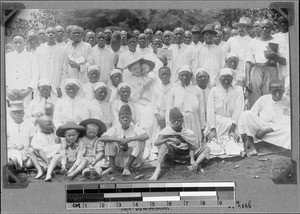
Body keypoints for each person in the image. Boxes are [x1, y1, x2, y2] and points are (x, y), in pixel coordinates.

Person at [149, 107, 210, 181]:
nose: (177, 122)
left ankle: (195, 165)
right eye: (174, 120)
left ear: (182, 121)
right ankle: (157, 170)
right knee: (164, 144)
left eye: (179, 120)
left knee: (207, 148)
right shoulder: (167, 131)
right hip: (173, 155)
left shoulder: (187, 132)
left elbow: (191, 147)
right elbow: (156, 143)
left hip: (186, 155)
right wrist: (169, 139)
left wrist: (192, 160)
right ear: (171, 122)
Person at [238, 80, 290, 156]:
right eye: (274, 89)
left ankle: (278, 147)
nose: (277, 92)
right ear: (269, 90)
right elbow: (252, 114)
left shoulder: (288, 100)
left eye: (279, 89)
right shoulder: (263, 99)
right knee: (246, 114)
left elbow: (288, 121)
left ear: (284, 89)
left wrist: (267, 130)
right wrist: (257, 129)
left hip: (277, 130)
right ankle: (252, 147)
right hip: (261, 127)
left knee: (290, 131)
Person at [245, 19, 287, 109]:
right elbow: (248, 62)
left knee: (269, 98)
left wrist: (273, 55)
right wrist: (248, 79)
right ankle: (253, 119)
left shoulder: (277, 40)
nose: (264, 29)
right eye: (262, 27)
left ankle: (268, 120)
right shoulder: (253, 42)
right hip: (256, 70)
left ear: (271, 28)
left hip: (271, 70)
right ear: (258, 29)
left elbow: (284, 61)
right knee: (254, 97)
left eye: (267, 27)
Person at [100, 104, 149, 176]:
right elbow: (102, 138)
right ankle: (112, 167)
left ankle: (127, 167)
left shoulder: (134, 128)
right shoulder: (115, 129)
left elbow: (146, 136)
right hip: (118, 159)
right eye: (123, 117)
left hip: (132, 160)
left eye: (127, 117)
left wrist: (128, 139)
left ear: (131, 119)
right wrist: (117, 139)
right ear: (119, 119)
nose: (125, 119)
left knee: (140, 140)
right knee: (109, 141)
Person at [206, 68, 245, 156]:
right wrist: (212, 129)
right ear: (219, 79)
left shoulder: (238, 90)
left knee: (234, 147)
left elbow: (239, 109)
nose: (226, 82)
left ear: (232, 79)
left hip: (232, 123)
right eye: (224, 79)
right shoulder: (214, 91)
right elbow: (210, 110)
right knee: (213, 147)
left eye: (229, 79)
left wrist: (232, 129)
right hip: (217, 124)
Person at [166, 65, 205, 147]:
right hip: (179, 122)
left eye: (187, 75)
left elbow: (201, 110)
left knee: (194, 144)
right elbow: (169, 109)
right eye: (182, 75)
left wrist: (202, 127)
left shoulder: (197, 90)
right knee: (181, 144)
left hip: (194, 120)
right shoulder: (173, 90)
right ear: (178, 76)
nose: (184, 77)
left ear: (191, 76)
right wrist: (169, 126)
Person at [6, 101, 41, 177]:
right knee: (11, 163)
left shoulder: (29, 124)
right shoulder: (7, 126)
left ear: (23, 113)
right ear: (11, 114)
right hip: (13, 152)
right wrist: (12, 146)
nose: (17, 115)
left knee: (30, 163)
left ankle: (21, 167)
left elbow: (33, 143)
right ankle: (15, 174)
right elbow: (5, 143)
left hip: (27, 153)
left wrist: (27, 152)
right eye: (15, 113)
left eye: (20, 112)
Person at [6, 34, 38, 108]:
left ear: (25, 42)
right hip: (10, 93)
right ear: (12, 43)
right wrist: (7, 91)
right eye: (15, 42)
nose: (18, 45)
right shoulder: (7, 57)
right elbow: (3, 76)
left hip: (25, 93)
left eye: (20, 42)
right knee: (10, 115)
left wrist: (27, 91)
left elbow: (35, 76)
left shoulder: (32, 57)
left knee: (26, 114)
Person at [36, 26, 68, 97]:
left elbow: (64, 70)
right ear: (45, 35)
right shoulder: (39, 49)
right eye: (48, 32)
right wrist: (38, 85)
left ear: (56, 35)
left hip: (56, 83)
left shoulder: (63, 50)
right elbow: (36, 70)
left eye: (53, 32)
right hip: (42, 84)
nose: (50, 34)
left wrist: (61, 87)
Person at [30, 115, 61, 180]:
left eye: (51, 124)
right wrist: (47, 162)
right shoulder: (38, 136)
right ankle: (41, 170)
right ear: (41, 126)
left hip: (52, 156)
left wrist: (55, 129)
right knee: (32, 150)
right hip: (43, 157)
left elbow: (57, 142)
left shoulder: (52, 134)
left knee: (59, 148)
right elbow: (39, 151)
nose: (51, 126)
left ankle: (49, 167)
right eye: (48, 125)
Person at [151, 66, 174, 131]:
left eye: (166, 74)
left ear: (170, 75)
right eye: (162, 74)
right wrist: (158, 117)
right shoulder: (156, 88)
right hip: (158, 116)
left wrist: (166, 118)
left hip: (170, 116)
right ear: (159, 76)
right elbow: (152, 104)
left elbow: (175, 105)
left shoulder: (174, 87)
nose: (164, 76)